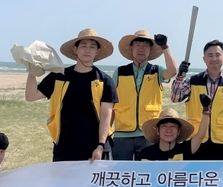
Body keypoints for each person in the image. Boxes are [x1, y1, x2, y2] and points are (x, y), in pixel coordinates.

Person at [25, 29, 118, 162]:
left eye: (92, 47)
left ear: (97, 52)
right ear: (75, 49)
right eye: (83, 46)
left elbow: (105, 116)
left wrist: (100, 146)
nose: (88, 50)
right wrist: (32, 71)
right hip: (64, 146)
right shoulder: (59, 76)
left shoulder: (104, 80)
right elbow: (31, 96)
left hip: (95, 149)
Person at [170, 40, 223, 160]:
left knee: (215, 177)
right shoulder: (193, 81)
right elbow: (175, 98)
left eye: (217, 55)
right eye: (210, 55)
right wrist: (180, 76)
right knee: (193, 175)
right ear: (204, 59)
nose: (214, 58)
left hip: (219, 140)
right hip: (195, 138)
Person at [112, 30, 178, 160]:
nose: (141, 49)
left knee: (147, 173)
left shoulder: (156, 71)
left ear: (150, 50)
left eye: (145, 46)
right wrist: (106, 131)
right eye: (137, 45)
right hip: (122, 133)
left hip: (148, 132)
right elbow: (110, 103)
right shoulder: (119, 72)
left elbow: (172, 71)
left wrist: (164, 47)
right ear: (131, 48)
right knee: (120, 172)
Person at [137, 95, 211, 161]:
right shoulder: (145, 153)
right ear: (157, 131)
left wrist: (206, 111)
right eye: (164, 126)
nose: (169, 130)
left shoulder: (186, 149)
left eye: (173, 126)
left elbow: (200, 135)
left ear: (179, 131)